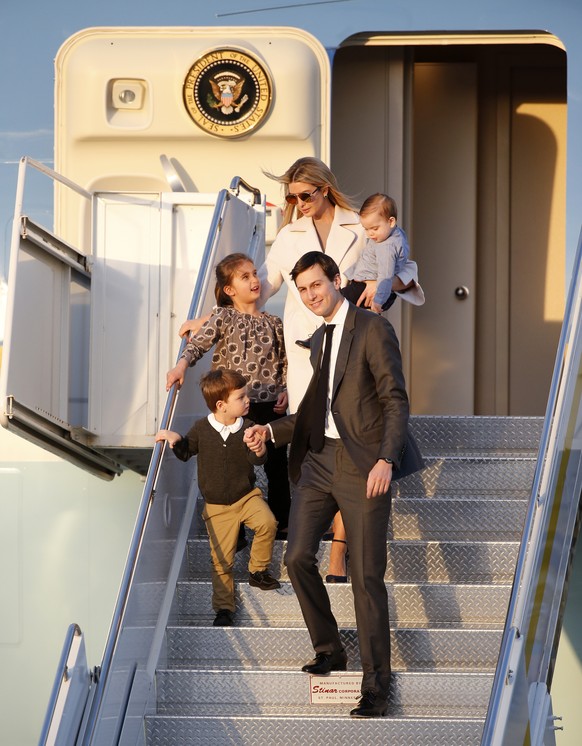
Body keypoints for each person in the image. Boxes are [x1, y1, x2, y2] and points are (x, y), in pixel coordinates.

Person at [244, 251, 423, 718]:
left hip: (362, 464)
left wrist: (387, 458)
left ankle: (376, 687)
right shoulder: (320, 338)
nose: (309, 295)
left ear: (336, 280)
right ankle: (330, 649)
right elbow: (314, 408)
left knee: (365, 577)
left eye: (316, 285)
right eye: (302, 289)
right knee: (297, 556)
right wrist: (272, 432)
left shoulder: (372, 328)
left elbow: (395, 400)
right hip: (318, 463)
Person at [167, 253, 291, 539]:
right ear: (229, 290)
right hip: (234, 409)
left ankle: (282, 523)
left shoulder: (275, 322)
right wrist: (180, 366)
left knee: (275, 464)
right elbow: (197, 345)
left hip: (270, 405)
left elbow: (284, 362)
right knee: (235, 466)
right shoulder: (222, 317)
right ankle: (234, 528)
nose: (254, 280)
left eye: (254, 274)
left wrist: (285, 389)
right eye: (244, 277)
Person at [156, 368, 281, 628]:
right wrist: (174, 438)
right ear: (221, 405)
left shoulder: (247, 427)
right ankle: (224, 608)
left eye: (246, 396)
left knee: (268, 523)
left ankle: (257, 570)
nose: (248, 401)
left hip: (246, 496)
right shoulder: (202, 428)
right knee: (221, 561)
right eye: (241, 397)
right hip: (217, 508)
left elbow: (257, 459)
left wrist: (258, 449)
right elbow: (187, 449)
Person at [342, 192, 425, 313]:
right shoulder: (395, 233)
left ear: (391, 222)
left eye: (375, 228)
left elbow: (386, 276)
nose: (370, 234)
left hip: (365, 289)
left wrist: (378, 302)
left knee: (337, 301)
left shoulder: (386, 247)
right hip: (377, 289)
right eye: (366, 228)